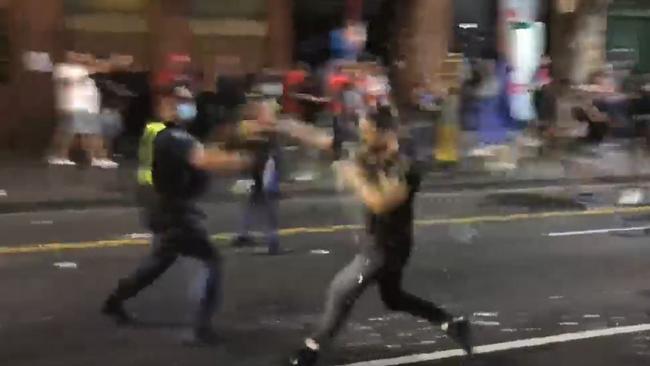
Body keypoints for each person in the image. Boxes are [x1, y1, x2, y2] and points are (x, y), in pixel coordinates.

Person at [276, 106, 472, 365]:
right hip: (384, 243)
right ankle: (452, 323)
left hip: (386, 247)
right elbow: (326, 141)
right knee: (393, 298)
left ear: (385, 132)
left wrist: (353, 174)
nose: (363, 137)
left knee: (339, 291)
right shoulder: (371, 152)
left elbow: (381, 202)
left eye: (368, 132)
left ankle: (310, 351)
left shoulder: (405, 164)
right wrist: (282, 124)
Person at [102, 86, 253, 345]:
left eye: (189, 100)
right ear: (165, 105)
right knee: (209, 262)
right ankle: (199, 329)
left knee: (160, 260)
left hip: (159, 206)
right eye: (181, 101)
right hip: (172, 211)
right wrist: (244, 160)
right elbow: (203, 160)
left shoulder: (156, 131)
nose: (187, 105)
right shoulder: (173, 136)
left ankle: (115, 301)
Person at [229, 101, 282, 255]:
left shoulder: (253, 127)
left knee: (255, 201)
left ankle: (243, 233)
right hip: (262, 168)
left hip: (258, 167)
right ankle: (272, 242)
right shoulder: (253, 127)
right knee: (270, 205)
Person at [48, 51, 102, 166]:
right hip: (72, 105)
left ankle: (94, 158)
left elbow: (102, 67)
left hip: (89, 107)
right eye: (73, 55)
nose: (77, 57)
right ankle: (60, 156)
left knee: (91, 133)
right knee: (67, 132)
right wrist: (86, 71)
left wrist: (90, 62)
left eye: (78, 55)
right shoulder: (62, 68)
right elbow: (66, 81)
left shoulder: (86, 69)